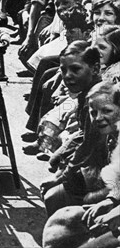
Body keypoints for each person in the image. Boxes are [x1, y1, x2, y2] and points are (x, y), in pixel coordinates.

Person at [42, 81, 120, 248]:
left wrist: (115, 211)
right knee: (61, 215)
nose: (98, 118)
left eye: (107, 111)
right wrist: (112, 200)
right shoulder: (110, 134)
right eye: (93, 113)